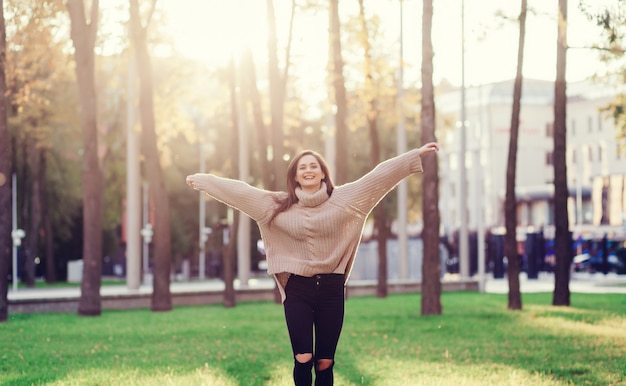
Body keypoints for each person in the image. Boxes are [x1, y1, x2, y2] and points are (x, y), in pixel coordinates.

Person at [186, 142, 439, 386]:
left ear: (322, 173)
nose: (308, 170)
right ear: (295, 176)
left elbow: (378, 177)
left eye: (313, 166)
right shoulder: (276, 205)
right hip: (298, 289)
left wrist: (413, 155)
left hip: (331, 289)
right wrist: (206, 181)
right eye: (302, 167)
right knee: (303, 358)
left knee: (325, 362)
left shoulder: (346, 199)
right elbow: (241, 192)